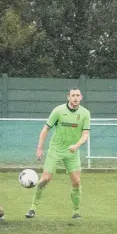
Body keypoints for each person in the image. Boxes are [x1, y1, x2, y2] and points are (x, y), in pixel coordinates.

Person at [26, 87, 91, 219]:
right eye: (73, 95)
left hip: (72, 152)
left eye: (78, 95)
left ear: (81, 97)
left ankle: (76, 211)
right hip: (55, 150)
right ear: (68, 97)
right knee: (45, 179)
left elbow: (85, 135)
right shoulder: (58, 111)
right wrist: (39, 148)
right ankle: (33, 208)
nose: (75, 98)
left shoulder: (85, 113)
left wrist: (76, 145)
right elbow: (45, 130)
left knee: (76, 182)